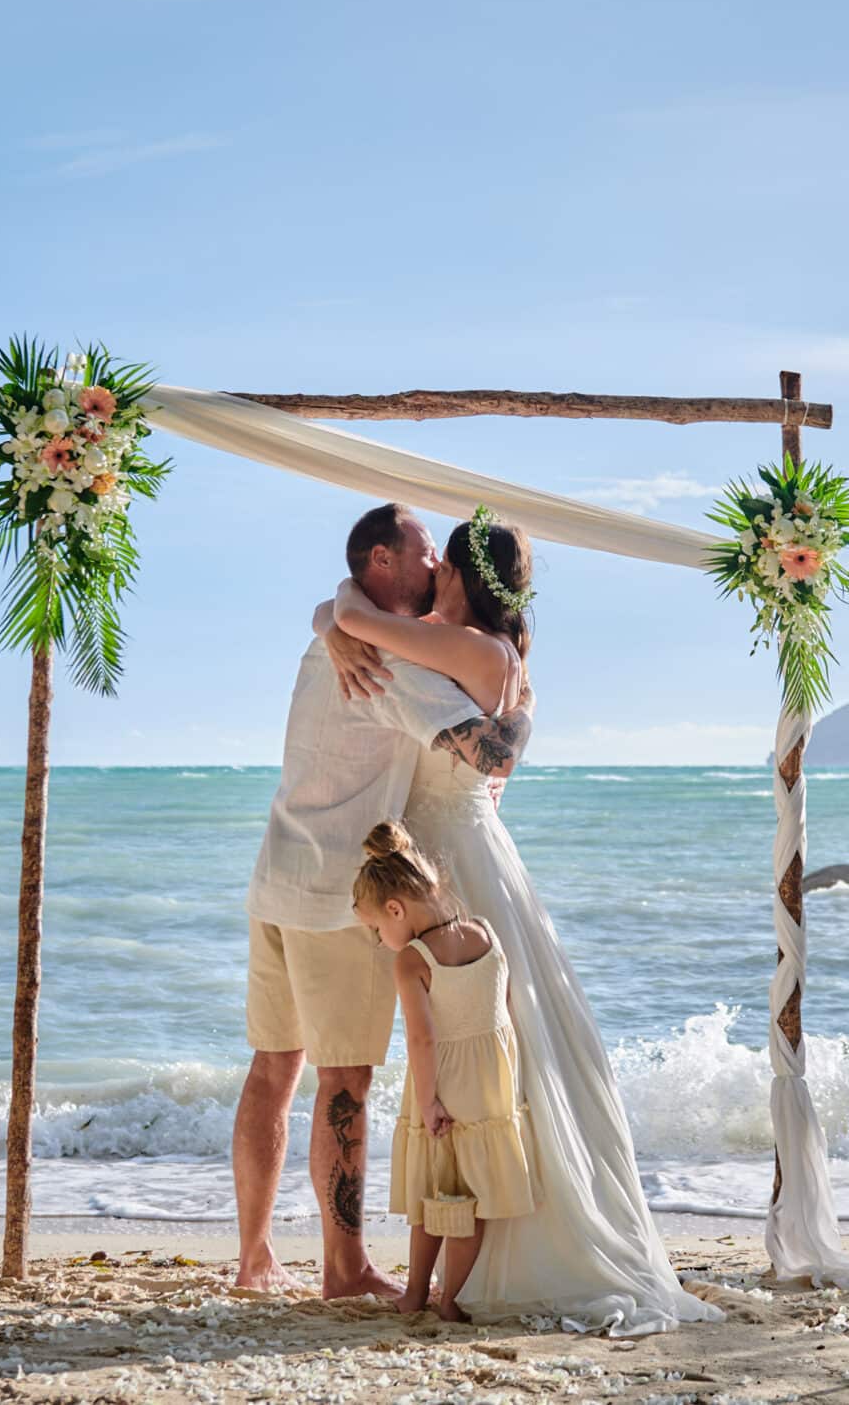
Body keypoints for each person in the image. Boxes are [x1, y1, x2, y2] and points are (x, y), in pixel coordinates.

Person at [315, 508, 719, 1334]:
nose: (431, 578)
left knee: (488, 1044)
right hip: (461, 844)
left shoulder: (471, 650)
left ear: (461, 575)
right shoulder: (491, 654)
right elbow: (368, 624)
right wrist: (336, 621)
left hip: (456, 860)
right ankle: (473, 1235)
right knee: (504, 1042)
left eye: (442, 567)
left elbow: (360, 617)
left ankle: (506, 1247)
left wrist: (334, 621)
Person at [233, 503, 533, 1298]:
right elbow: (487, 749)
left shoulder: (331, 634)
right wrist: (523, 710)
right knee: (345, 1083)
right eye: (424, 548)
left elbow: (334, 604)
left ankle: (254, 1256)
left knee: (272, 1069)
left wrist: (335, 612)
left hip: (275, 872)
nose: (437, 562)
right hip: (339, 897)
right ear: (380, 560)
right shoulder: (393, 661)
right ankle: (343, 1269)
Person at [352, 820, 537, 1321]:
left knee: (432, 1194)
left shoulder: (413, 958)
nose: (379, 937)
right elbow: (499, 1010)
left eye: (376, 928)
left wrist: (429, 1099)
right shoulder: (485, 932)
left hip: (442, 1081)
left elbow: (422, 1038)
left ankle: (416, 1294)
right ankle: (451, 1302)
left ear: (396, 909)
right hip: (491, 1083)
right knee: (470, 1202)